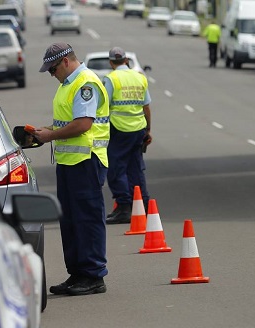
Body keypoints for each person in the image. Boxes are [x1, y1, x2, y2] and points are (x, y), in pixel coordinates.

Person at [32, 42, 110, 296]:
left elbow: (83, 125)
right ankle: (77, 273)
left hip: (86, 160)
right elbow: (68, 122)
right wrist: (45, 132)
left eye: (53, 70)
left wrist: (50, 135)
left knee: (87, 219)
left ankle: (93, 275)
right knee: (71, 220)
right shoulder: (68, 84)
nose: (53, 75)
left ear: (65, 61)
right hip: (70, 162)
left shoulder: (85, 83)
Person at [103, 47, 152, 225]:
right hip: (138, 128)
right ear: (125, 60)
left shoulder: (111, 79)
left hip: (119, 129)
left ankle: (124, 207)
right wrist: (148, 131)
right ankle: (143, 205)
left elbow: (104, 106)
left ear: (111, 62)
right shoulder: (140, 77)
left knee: (116, 168)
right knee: (136, 168)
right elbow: (146, 107)